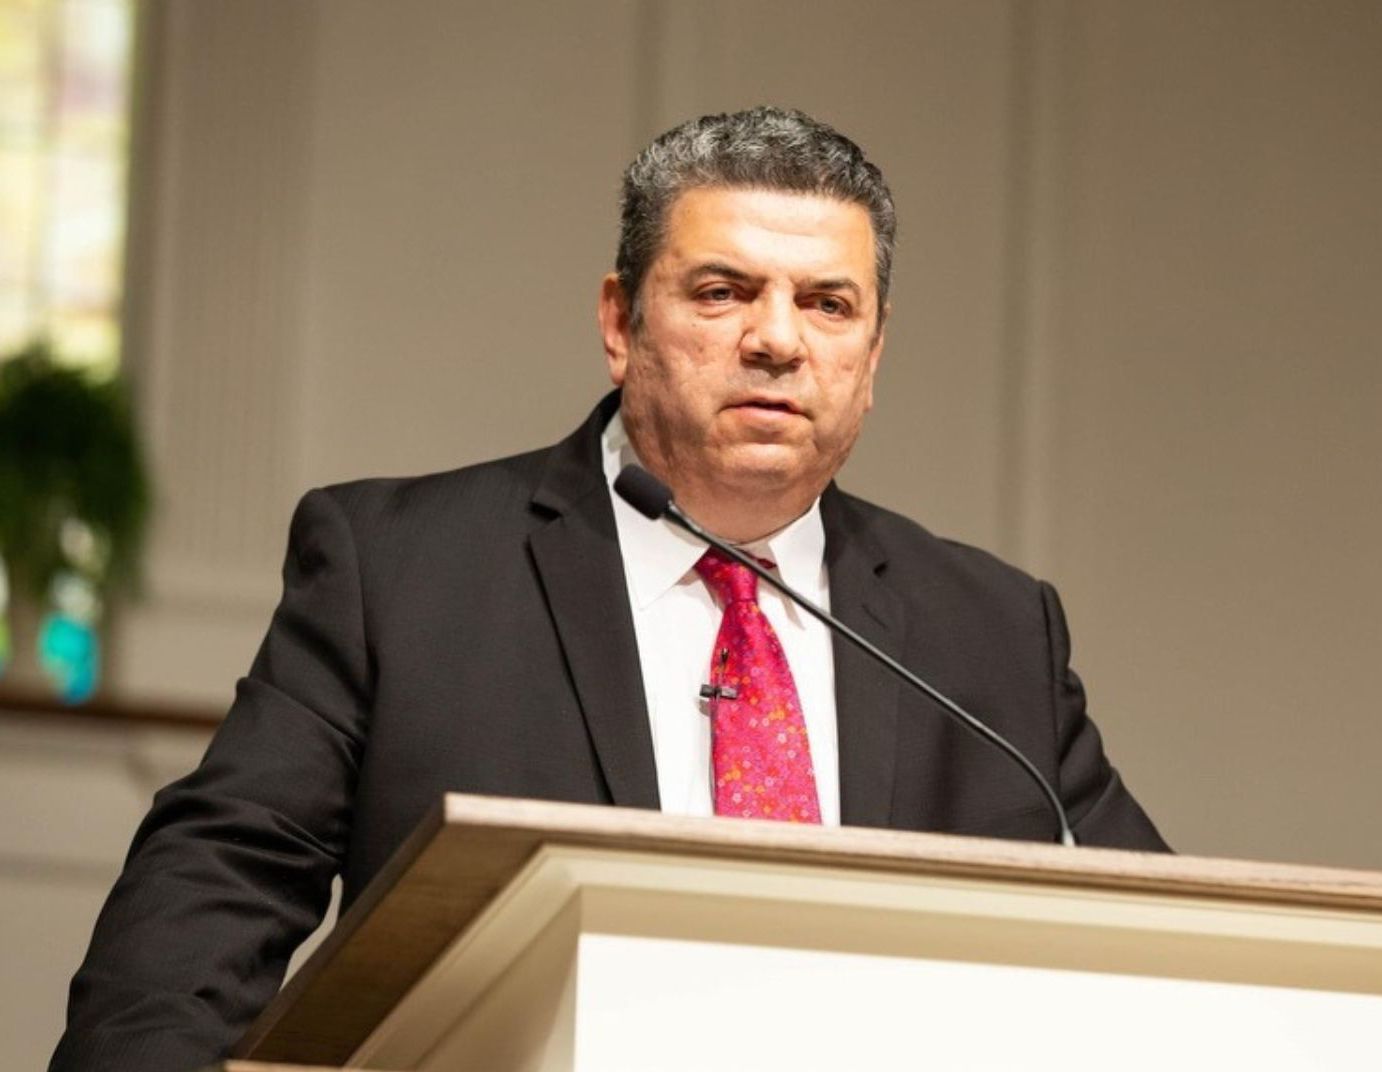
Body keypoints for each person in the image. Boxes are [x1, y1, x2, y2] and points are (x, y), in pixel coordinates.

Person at [52, 106, 1166, 1072]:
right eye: (724, 290)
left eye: (827, 304)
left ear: (871, 359)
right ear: (619, 324)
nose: (776, 339)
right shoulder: (399, 570)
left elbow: (1162, 956)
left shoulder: (988, 631)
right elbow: (201, 914)